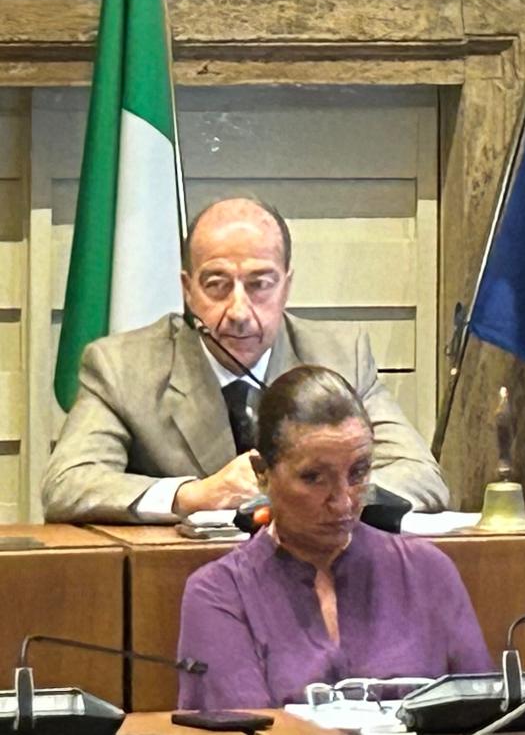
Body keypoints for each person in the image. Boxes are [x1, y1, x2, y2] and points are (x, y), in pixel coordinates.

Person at [42, 197, 448, 523]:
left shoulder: (340, 357)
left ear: (286, 286)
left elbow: (420, 474)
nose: (238, 311)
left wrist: (311, 495)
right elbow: (68, 484)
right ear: (187, 290)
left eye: (260, 284)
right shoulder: (121, 367)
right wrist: (194, 495)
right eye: (217, 285)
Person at [176, 365, 490, 709]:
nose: (343, 502)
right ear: (262, 474)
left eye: (358, 473)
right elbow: (244, 727)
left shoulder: (427, 573)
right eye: (314, 478)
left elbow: (487, 715)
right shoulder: (220, 594)